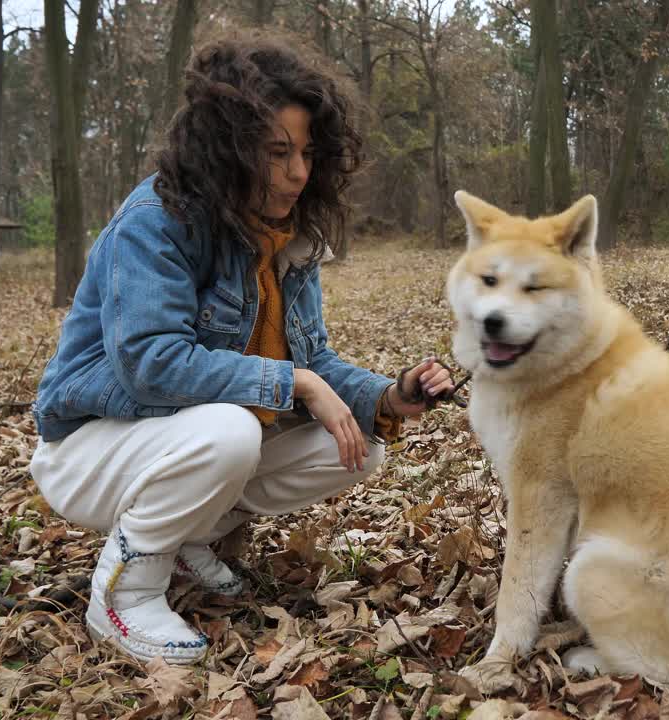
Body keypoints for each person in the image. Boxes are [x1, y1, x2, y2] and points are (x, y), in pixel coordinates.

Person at [28, 34, 454, 665]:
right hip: (91, 446)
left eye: (307, 153)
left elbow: (314, 362)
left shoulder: (287, 237)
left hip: (177, 441)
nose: (299, 172)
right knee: (229, 430)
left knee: (358, 451)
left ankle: (193, 535)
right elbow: (151, 363)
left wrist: (390, 395)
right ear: (226, 148)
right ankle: (124, 595)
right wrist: (298, 385)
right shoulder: (156, 220)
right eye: (277, 152)